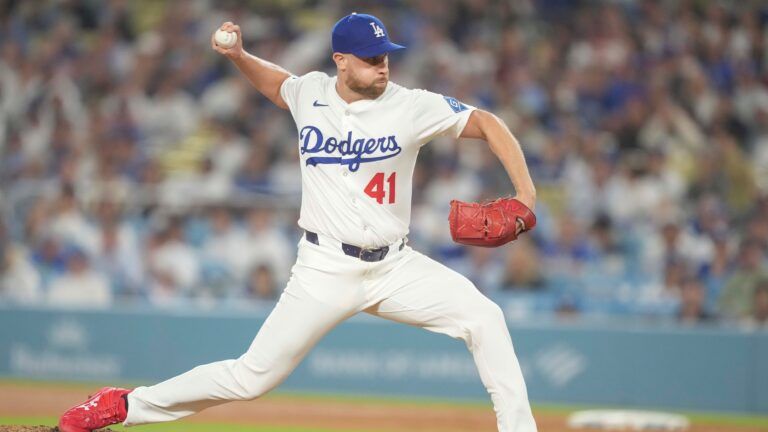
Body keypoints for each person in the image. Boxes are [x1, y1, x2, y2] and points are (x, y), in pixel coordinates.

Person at [59, 13, 538, 432]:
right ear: (341, 61)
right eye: (371, 57)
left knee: (485, 318)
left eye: (385, 55)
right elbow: (278, 84)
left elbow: (489, 123)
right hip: (324, 266)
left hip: (395, 267)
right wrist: (240, 56)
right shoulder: (311, 92)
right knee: (252, 377)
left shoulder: (411, 105)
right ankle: (124, 405)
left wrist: (525, 194)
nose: (383, 65)